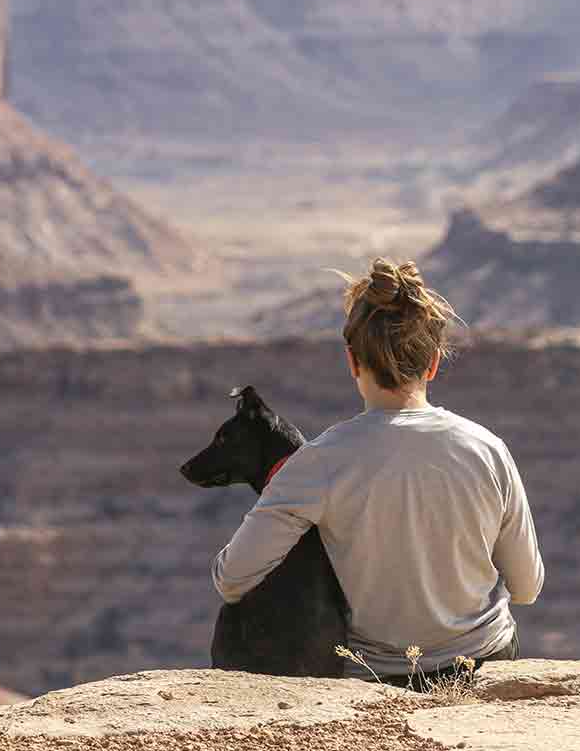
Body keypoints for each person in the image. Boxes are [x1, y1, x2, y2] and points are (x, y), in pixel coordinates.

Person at [212, 257, 544, 685]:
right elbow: (527, 587)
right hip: (484, 662)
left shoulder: (318, 462)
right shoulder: (488, 449)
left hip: (381, 677)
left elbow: (231, 579)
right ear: (433, 363)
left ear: (352, 362)